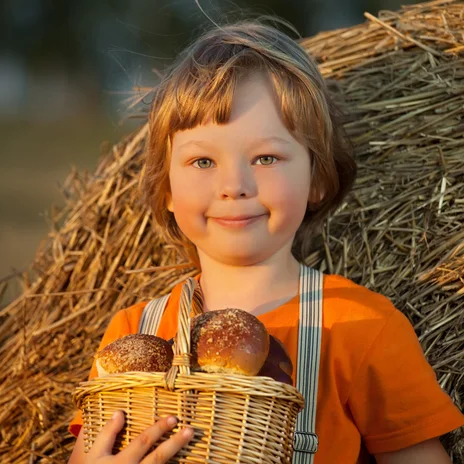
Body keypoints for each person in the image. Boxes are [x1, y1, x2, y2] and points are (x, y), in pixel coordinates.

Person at [68, 20, 464, 464]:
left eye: (266, 158)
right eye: (202, 160)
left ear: (317, 177)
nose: (234, 185)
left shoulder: (362, 328)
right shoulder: (135, 335)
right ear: (166, 190)